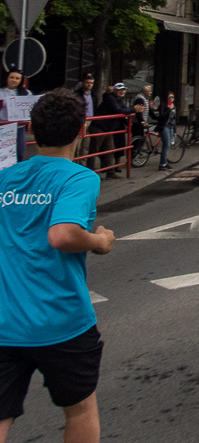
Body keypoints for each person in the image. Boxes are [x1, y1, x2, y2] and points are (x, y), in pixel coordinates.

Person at [0, 88, 115, 442]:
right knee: (79, 408)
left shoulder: (6, 178)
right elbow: (63, 235)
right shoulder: (79, 178)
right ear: (82, 131)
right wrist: (99, 241)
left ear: (32, 128)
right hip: (62, 320)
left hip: (5, 322)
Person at [93, 83, 129, 178]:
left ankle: (110, 172)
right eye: (120, 89)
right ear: (114, 90)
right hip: (99, 126)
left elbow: (124, 109)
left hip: (108, 128)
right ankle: (90, 171)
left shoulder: (119, 100)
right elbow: (118, 110)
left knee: (110, 150)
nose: (122, 91)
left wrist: (132, 110)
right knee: (94, 149)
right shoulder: (109, 98)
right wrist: (134, 109)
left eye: (123, 89)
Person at [0, 68, 32, 163]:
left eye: (17, 78)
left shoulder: (27, 94)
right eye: (12, 77)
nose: (14, 80)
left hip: (19, 127)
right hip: (3, 126)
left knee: (20, 152)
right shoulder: (0, 92)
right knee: (3, 153)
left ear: (20, 80)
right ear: (7, 78)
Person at [73, 74, 97, 162]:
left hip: (91, 120)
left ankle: (83, 161)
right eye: (87, 83)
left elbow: (95, 105)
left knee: (86, 143)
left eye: (91, 83)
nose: (89, 85)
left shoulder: (93, 94)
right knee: (78, 143)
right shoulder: (77, 94)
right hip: (81, 120)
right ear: (83, 83)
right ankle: (76, 161)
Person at [148, 96, 174, 170]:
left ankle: (165, 162)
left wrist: (174, 129)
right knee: (166, 145)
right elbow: (162, 116)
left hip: (170, 127)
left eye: (172, 98)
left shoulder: (172, 106)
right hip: (164, 126)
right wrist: (169, 109)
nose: (171, 99)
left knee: (168, 145)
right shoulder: (162, 106)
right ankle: (162, 164)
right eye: (169, 97)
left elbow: (173, 118)